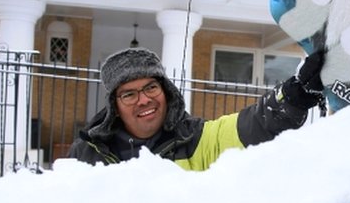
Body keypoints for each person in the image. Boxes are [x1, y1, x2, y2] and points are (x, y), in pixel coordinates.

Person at [67, 47, 324, 170]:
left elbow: (251, 126)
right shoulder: (88, 152)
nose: (144, 100)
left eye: (151, 88)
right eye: (129, 94)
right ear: (115, 105)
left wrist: (293, 97)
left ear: (166, 92)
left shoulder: (196, 139)